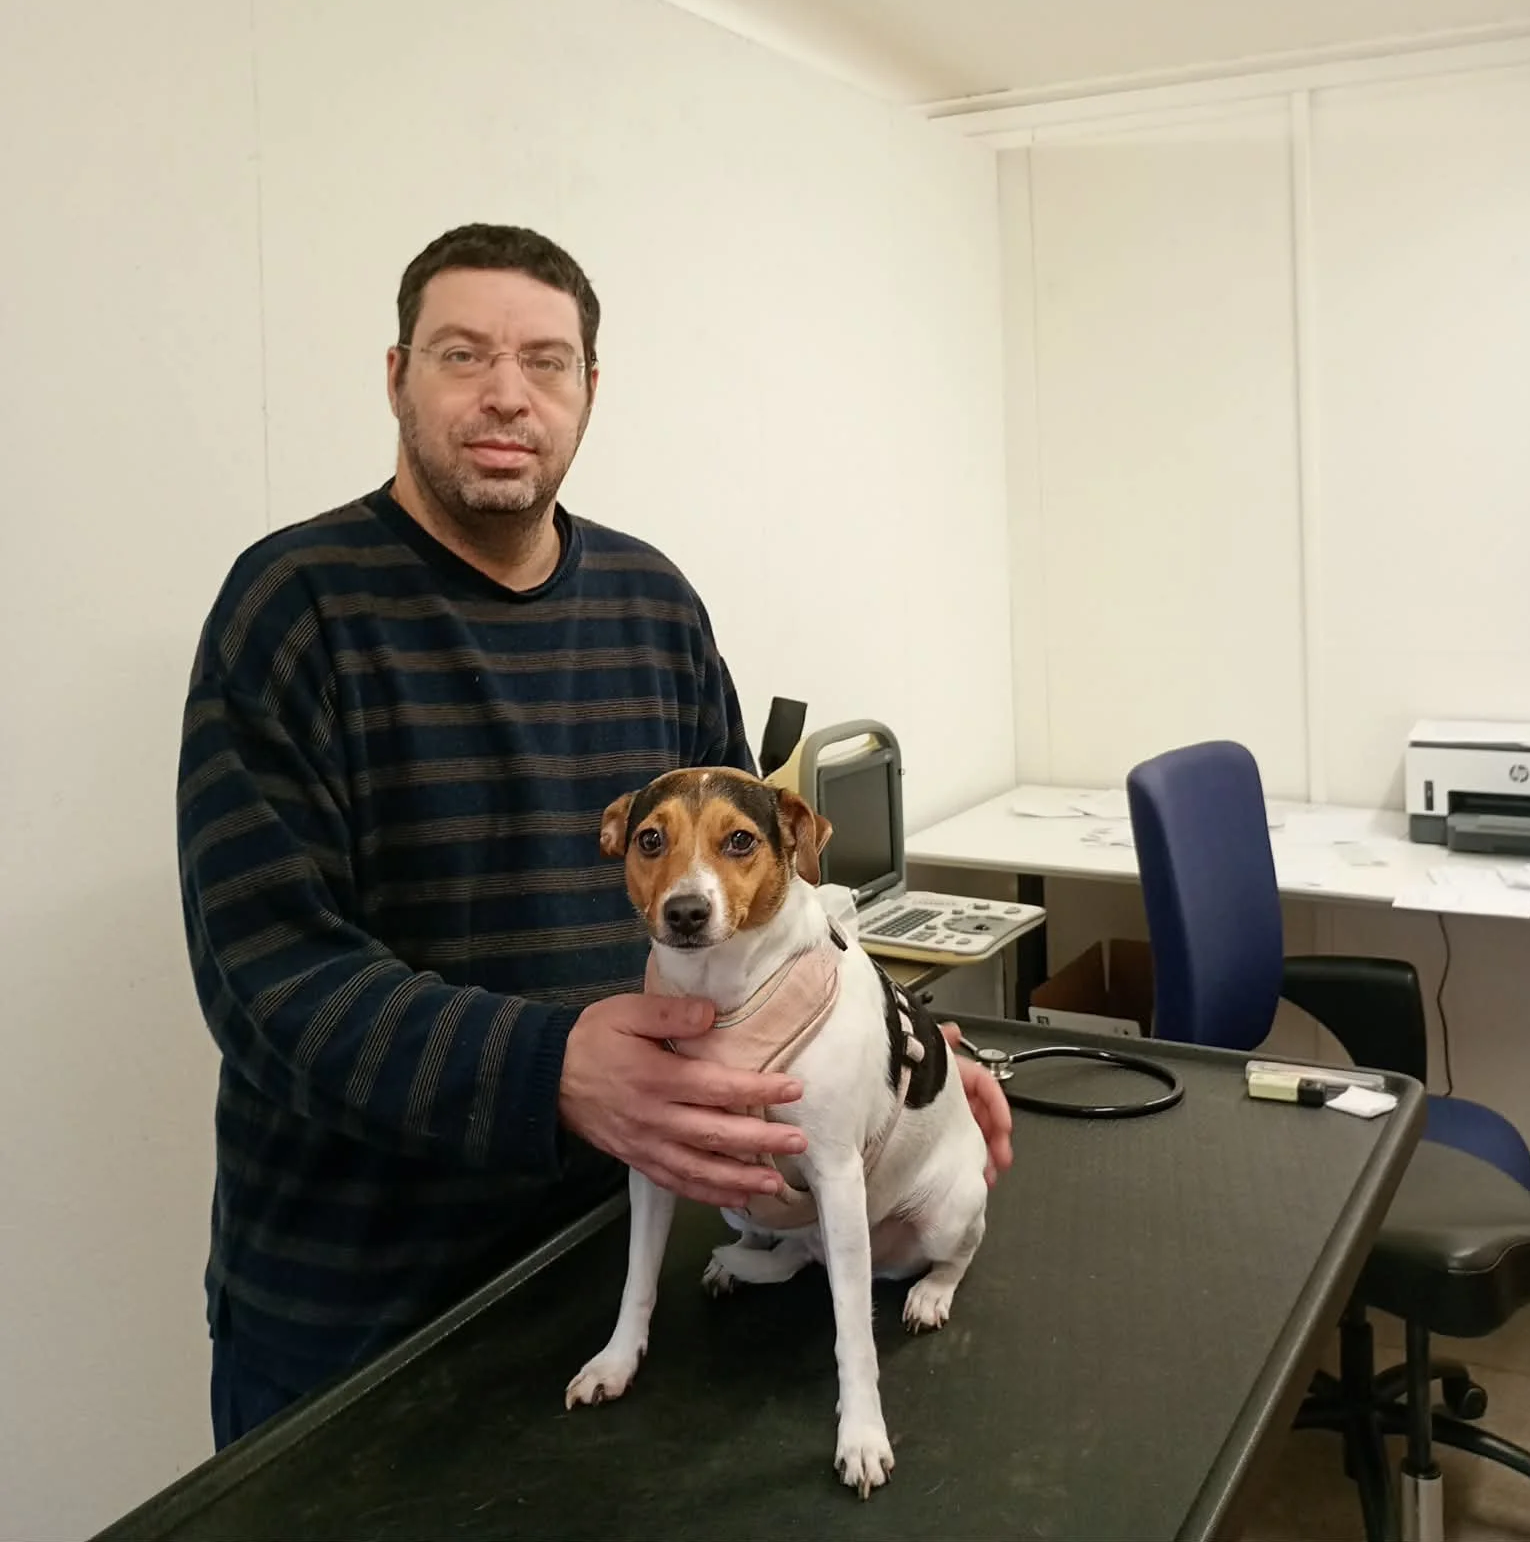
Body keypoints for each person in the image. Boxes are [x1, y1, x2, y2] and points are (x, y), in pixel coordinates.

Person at [176, 222, 1014, 1450]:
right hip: (362, 1313)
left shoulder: (654, 606)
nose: (507, 392)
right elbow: (267, 981)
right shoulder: (293, 609)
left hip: (619, 1266)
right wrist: (552, 1072)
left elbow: (760, 914)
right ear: (397, 375)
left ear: (589, 391)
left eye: (546, 361)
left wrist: (898, 1075)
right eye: (463, 354)